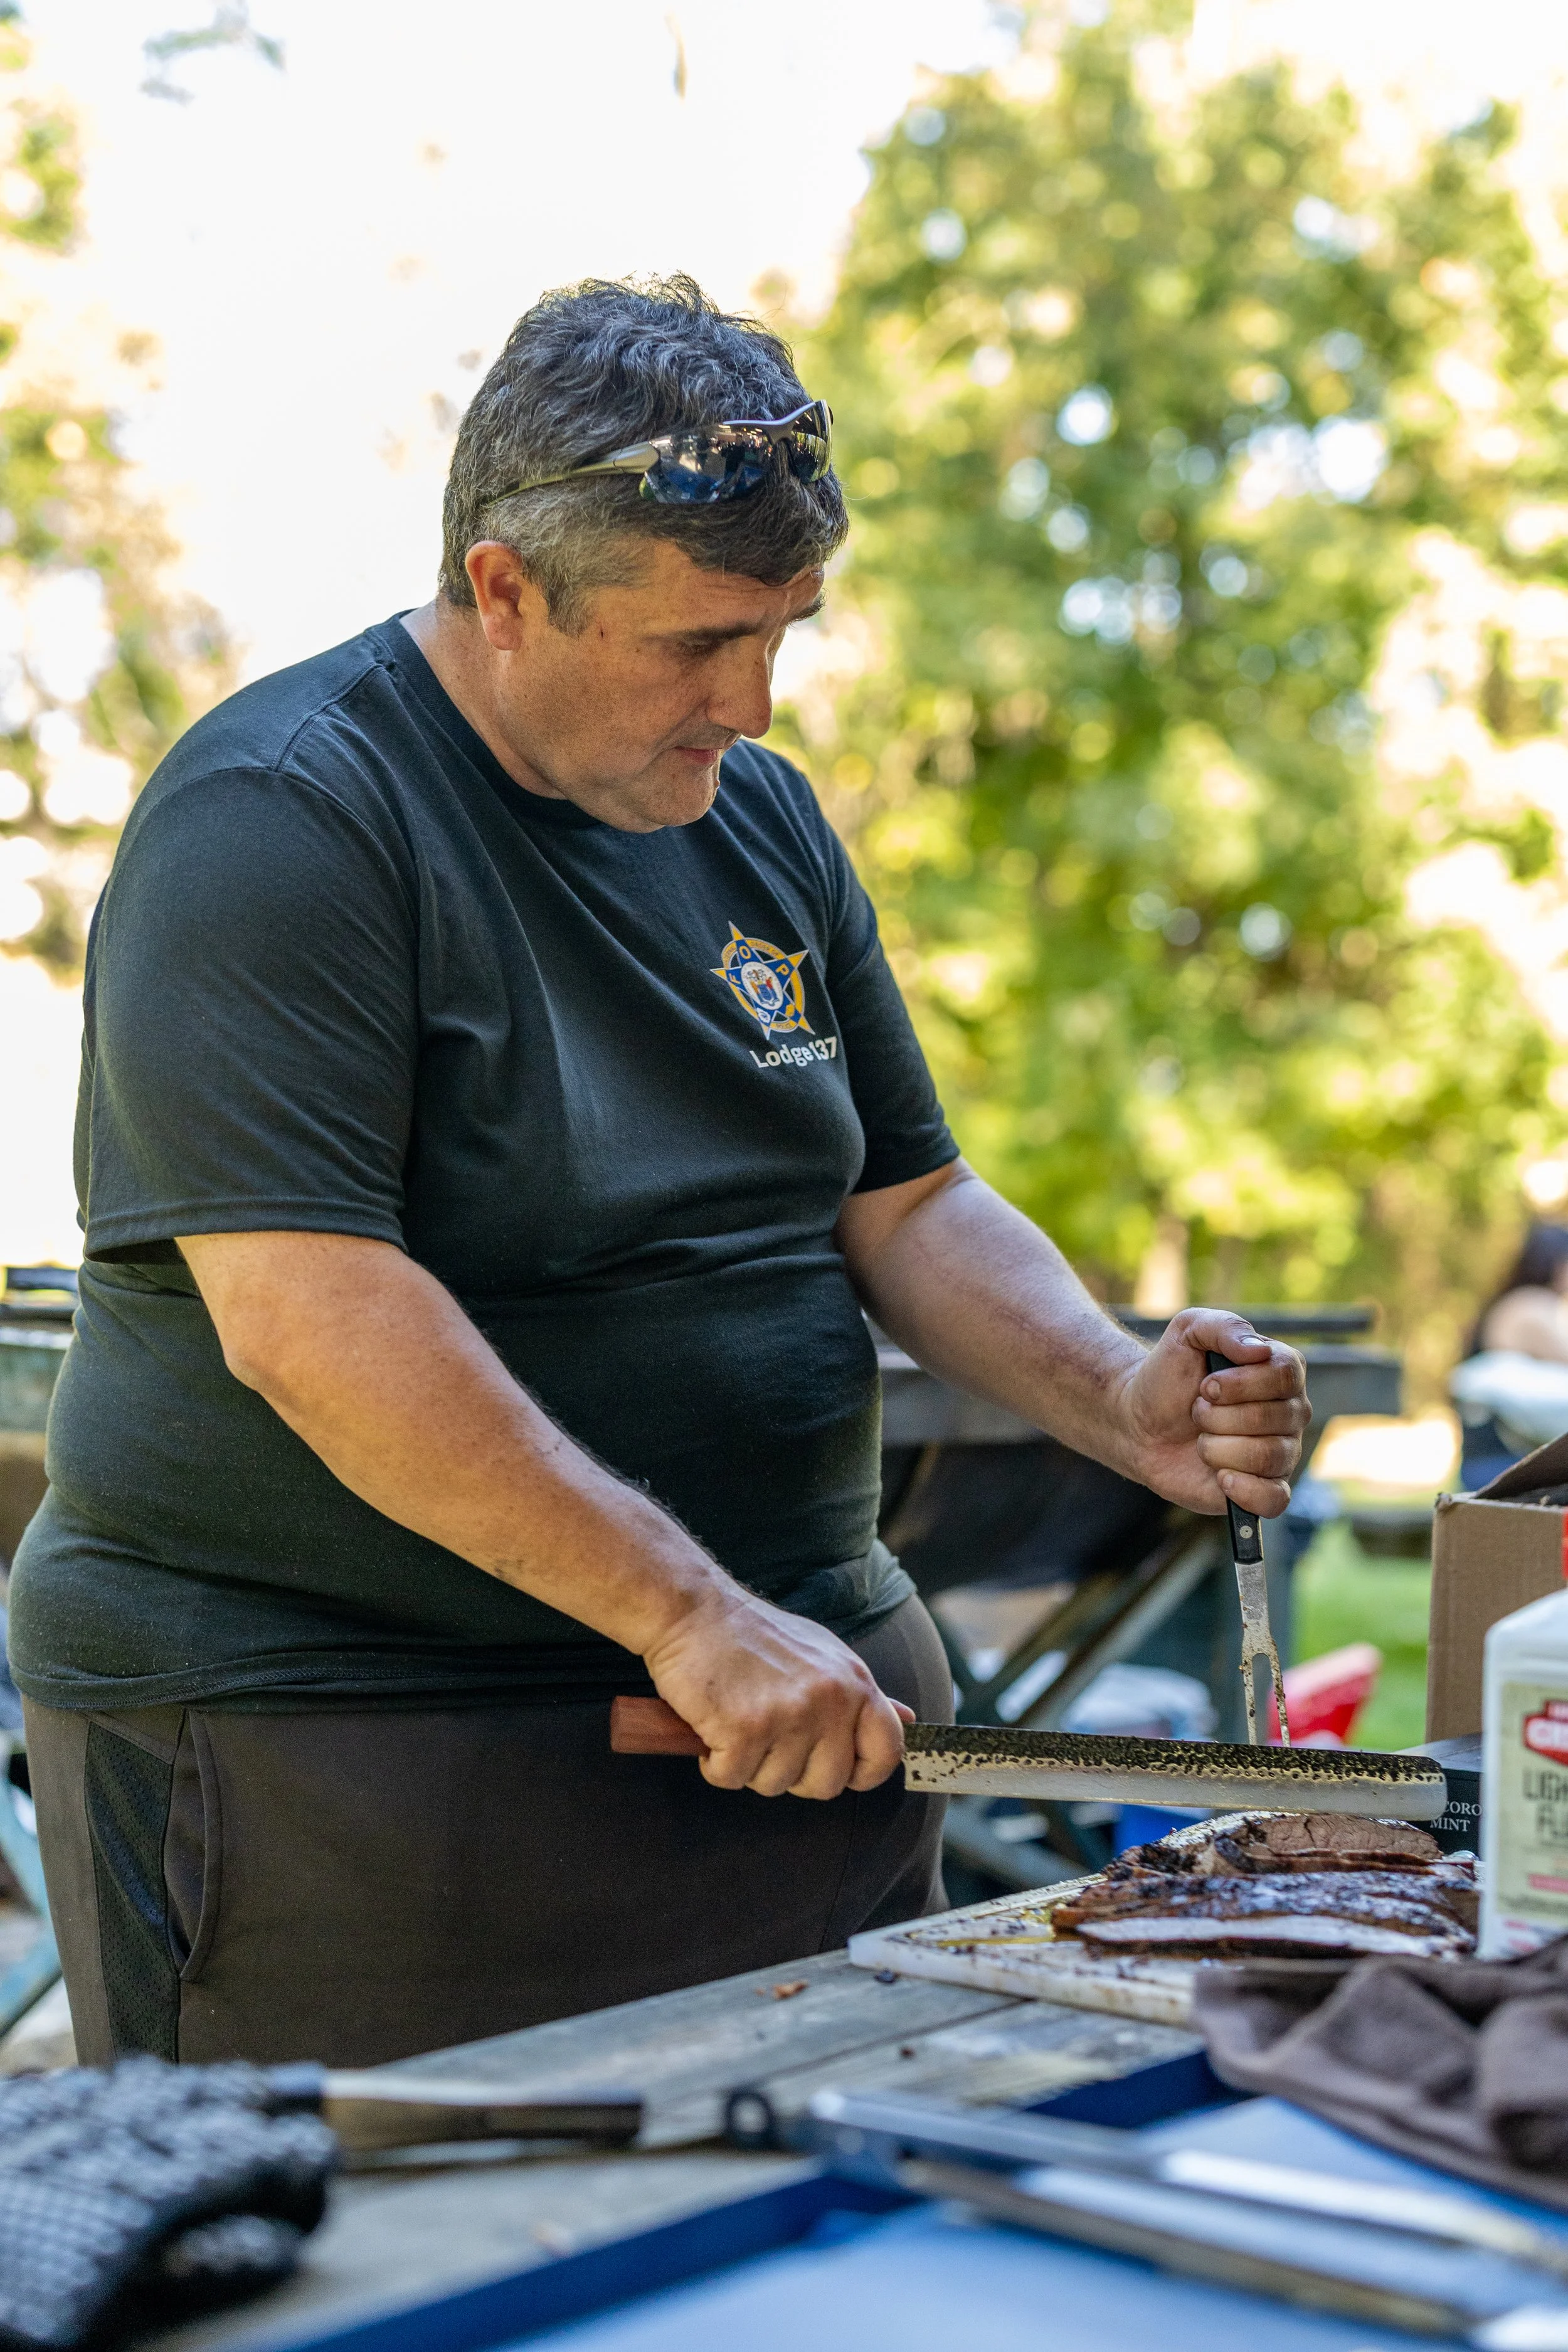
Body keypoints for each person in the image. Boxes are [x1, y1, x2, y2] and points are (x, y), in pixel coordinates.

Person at [8, 277, 1308, 2069]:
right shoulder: (284, 818)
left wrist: (1116, 1391)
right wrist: (686, 1613)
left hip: (806, 1725)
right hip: (354, 1749)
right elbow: (310, 1314)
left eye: (787, 628)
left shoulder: (753, 819)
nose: (755, 701)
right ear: (504, 590)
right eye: (698, 641)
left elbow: (905, 1200)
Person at [1452, 1222, 1568, 1486]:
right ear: (1556, 1263)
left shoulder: (1508, 1303)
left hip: (1483, 1461)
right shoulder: (1533, 1307)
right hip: (1509, 1465)